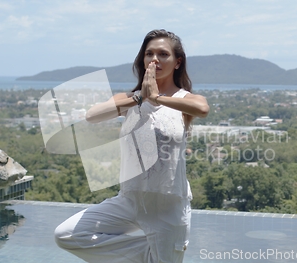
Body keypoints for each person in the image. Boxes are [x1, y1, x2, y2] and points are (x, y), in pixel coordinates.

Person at [54, 29, 209, 263]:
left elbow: (203, 109)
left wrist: (157, 98)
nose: (154, 59)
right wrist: (141, 98)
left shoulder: (184, 100)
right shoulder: (130, 99)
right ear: (142, 59)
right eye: (149, 53)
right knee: (67, 235)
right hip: (129, 200)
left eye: (163, 54)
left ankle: (158, 251)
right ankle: (150, 254)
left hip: (168, 206)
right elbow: (92, 115)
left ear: (177, 62)